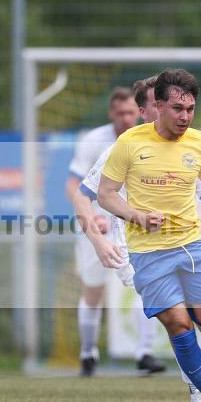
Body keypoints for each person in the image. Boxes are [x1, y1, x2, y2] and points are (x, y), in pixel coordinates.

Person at [98, 68, 201, 402]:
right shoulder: (130, 144)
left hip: (191, 248)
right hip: (148, 255)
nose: (185, 116)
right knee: (180, 326)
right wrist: (136, 215)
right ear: (158, 106)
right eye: (177, 108)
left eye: (190, 109)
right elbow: (106, 195)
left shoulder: (200, 143)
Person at [65, 87, 165, 376]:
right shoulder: (95, 140)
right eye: (119, 113)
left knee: (143, 287)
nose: (125, 118)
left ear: (139, 112)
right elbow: (74, 186)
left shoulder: (144, 141)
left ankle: (144, 353)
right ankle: (88, 354)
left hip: (130, 225)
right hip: (96, 226)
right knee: (93, 291)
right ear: (111, 113)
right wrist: (94, 218)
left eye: (130, 113)